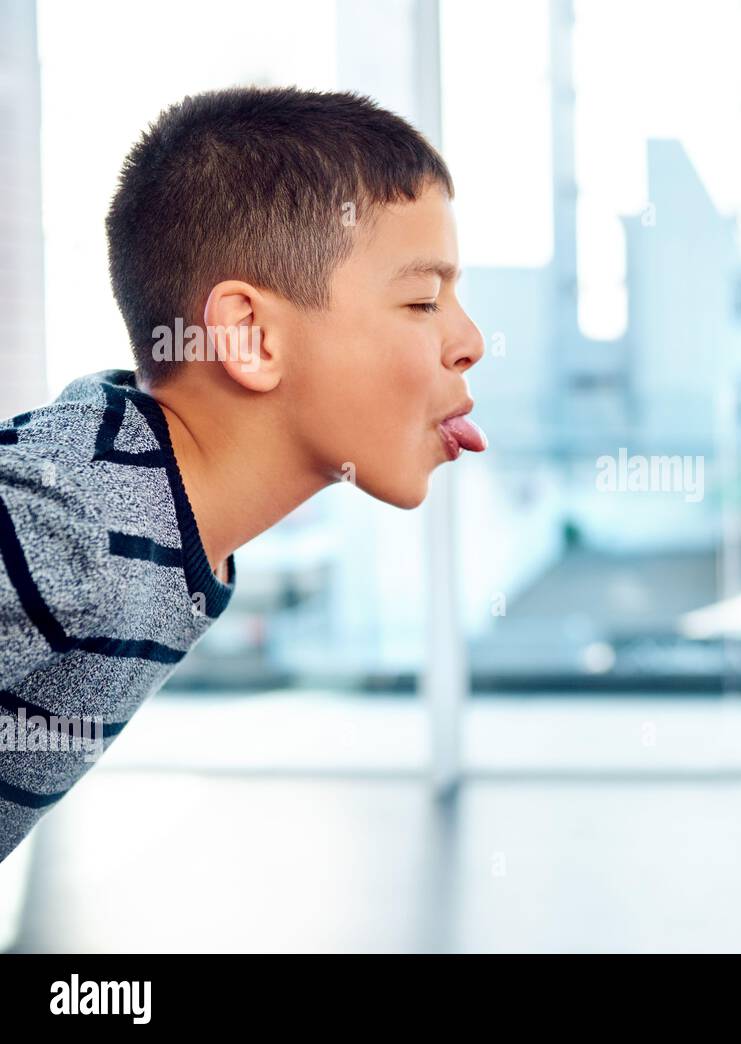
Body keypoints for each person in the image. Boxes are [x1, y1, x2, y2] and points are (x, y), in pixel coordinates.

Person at [0, 86, 486, 863]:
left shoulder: (156, 512)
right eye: (425, 300)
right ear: (251, 337)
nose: (470, 342)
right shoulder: (72, 518)